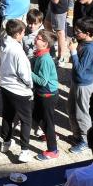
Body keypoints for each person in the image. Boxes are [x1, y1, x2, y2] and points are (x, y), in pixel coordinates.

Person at [0, 19, 34, 163]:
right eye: (23, 32)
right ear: (18, 33)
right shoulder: (18, 51)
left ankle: (6, 142)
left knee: (7, 114)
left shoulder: (4, 45)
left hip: (5, 86)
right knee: (26, 120)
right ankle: (24, 150)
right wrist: (30, 84)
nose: (24, 34)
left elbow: (0, 64)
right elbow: (25, 74)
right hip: (19, 89)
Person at [69, 17, 93, 154]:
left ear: (88, 33)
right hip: (76, 81)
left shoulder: (90, 49)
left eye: (78, 31)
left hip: (83, 84)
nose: (75, 33)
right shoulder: (83, 41)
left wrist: (73, 51)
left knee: (81, 113)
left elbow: (80, 69)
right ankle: (77, 136)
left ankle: (86, 140)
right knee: (71, 109)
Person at [31, 29, 60, 160]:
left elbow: (43, 81)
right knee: (36, 116)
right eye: (37, 36)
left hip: (47, 95)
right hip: (40, 94)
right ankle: (50, 135)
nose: (36, 38)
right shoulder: (39, 55)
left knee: (48, 121)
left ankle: (53, 150)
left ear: (45, 44)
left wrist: (28, 71)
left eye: (40, 38)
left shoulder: (45, 60)